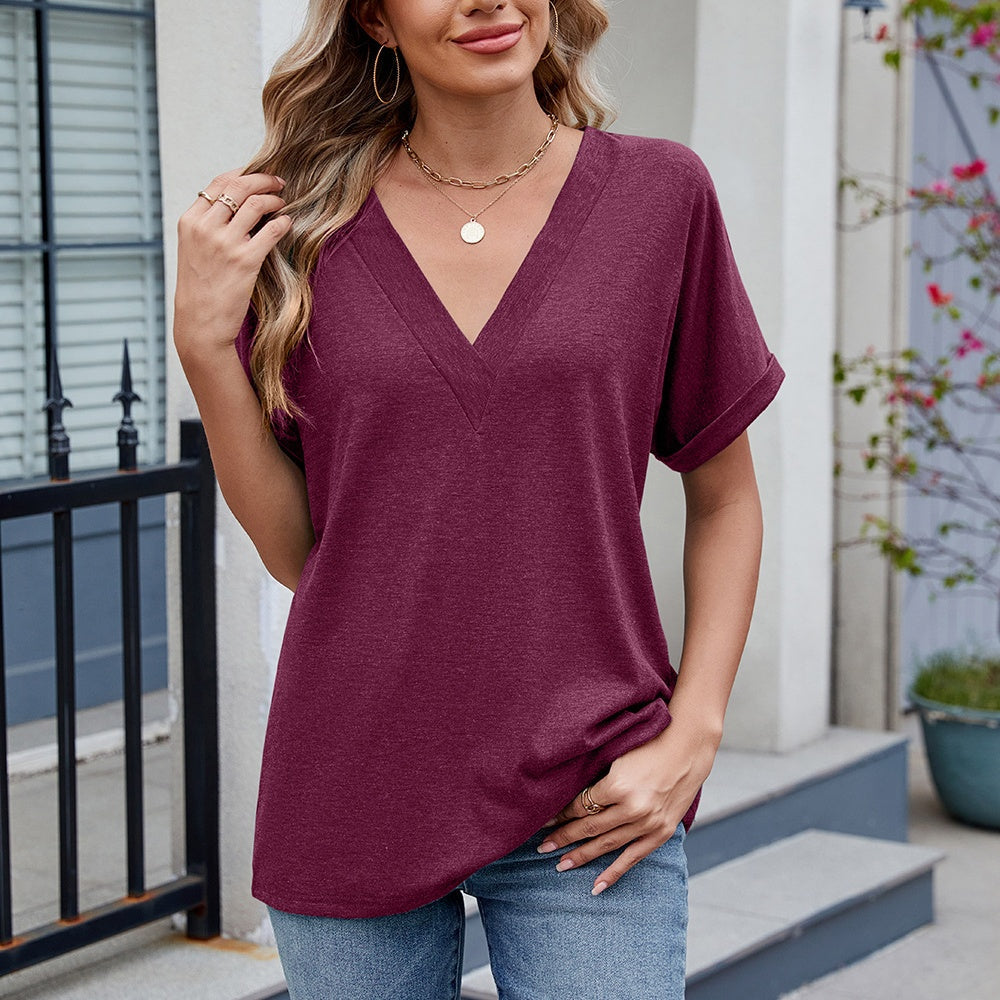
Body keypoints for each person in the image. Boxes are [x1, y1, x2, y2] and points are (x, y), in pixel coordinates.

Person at [173, 1, 785, 997]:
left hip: (592, 786)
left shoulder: (660, 195)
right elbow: (301, 553)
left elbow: (726, 499)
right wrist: (205, 348)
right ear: (375, 19)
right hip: (353, 777)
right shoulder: (299, 229)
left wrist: (694, 730)